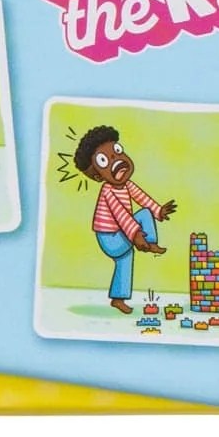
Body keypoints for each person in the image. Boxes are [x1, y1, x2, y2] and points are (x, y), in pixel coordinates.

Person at [73, 124, 179, 313]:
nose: (116, 160)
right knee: (136, 227)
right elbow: (121, 215)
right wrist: (135, 234)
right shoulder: (108, 191)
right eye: (105, 160)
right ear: (97, 176)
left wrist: (159, 211)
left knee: (126, 258)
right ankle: (147, 243)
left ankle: (118, 299)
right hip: (110, 238)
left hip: (122, 233)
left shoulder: (127, 185)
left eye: (118, 151)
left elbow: (142, 198)